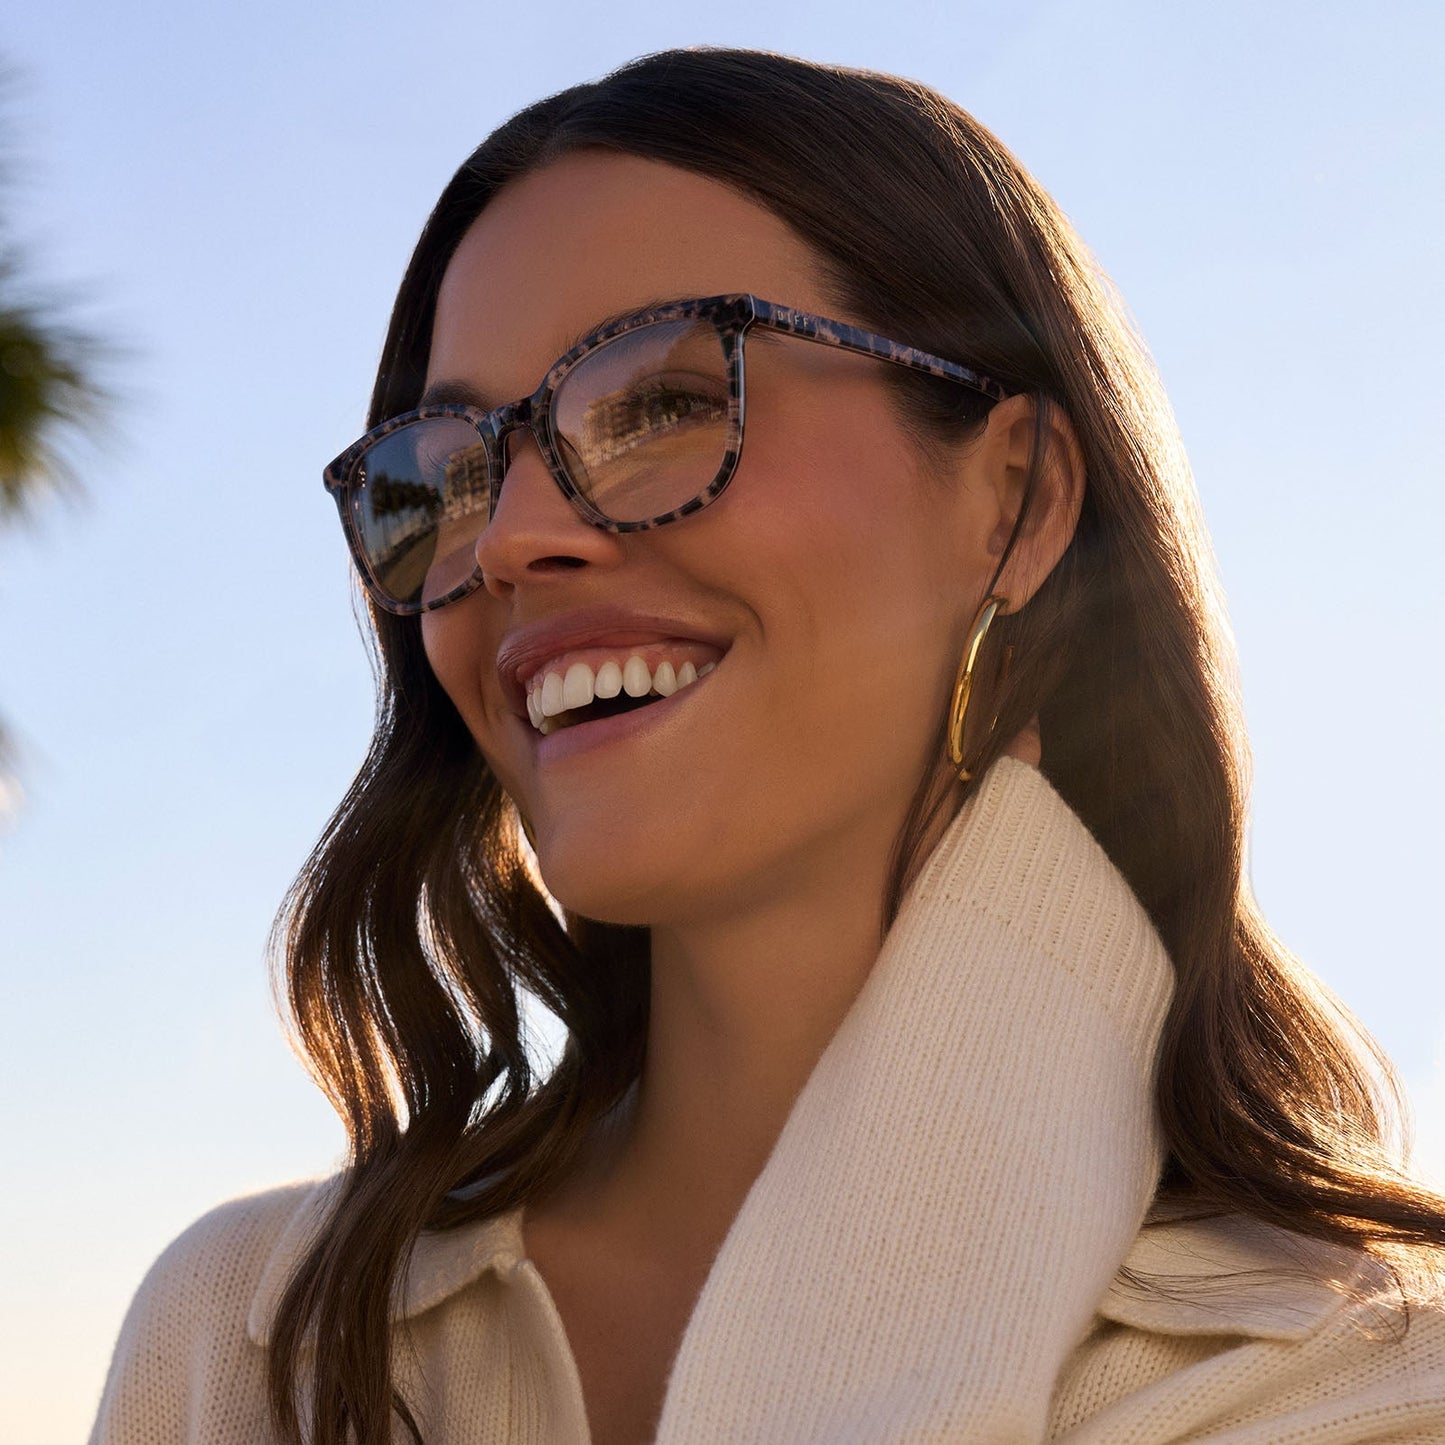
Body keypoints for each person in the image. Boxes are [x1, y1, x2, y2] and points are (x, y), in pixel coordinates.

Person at [90, 47, 1445, 1445]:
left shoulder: (1359, 1382)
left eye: (664, 404)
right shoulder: (251, 1342)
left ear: (1019, 496)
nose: (507, 539)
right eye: (447, 472)